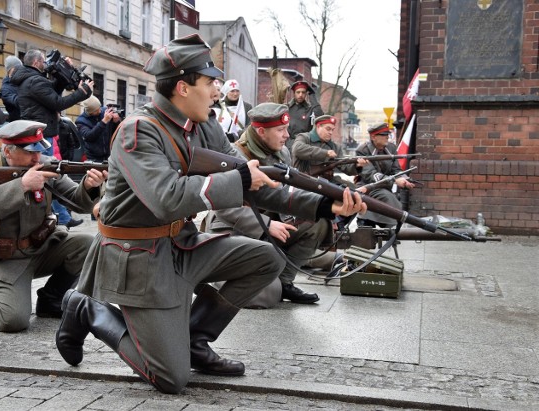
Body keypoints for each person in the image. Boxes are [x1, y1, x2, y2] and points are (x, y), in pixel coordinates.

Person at [54, 34, 366, 394]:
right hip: (137, 259)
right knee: (171, 379)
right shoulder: (138, 131)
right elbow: (167, 199)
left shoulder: (203, 126)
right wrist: (240, 177)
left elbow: (256, 183)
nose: (217, 91)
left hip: (180, 244)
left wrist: (326, 204)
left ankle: (194, 341)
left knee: (265, 258)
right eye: (210, 82)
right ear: (183, 87)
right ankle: (87, 309)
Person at [0, 120, 107, 333]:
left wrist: (89, 186)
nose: (37, 157)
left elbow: (77, 200)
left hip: (40, 248)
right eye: (30, 152)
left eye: (39, 150)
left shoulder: (45, 164)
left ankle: (51, 300)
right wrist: (22, 185)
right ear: (7, 151)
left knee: (88, 244)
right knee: (12, 320)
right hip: (3, 258)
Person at [206, 103, 332, 305]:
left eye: (287, 129)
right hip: (235, 229)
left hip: (268, 226)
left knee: (317, 223)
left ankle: (285, 283)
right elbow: (224, 207)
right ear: (261, 132)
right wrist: (266, 224)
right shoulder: (235, 154)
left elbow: (287, 192)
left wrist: (328, 201)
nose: (287, 135)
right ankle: (226, 277)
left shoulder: (282, 153)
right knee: (265, 297)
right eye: (280, 130)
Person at [11, 49, 94, 229]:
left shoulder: (31, 79)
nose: (46, 65)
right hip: (40, 135)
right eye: (43, 62)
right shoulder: (34, 81)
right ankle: (57, 215)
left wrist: (63, 74)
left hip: (41, 132)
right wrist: (83, 92)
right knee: (50, 174)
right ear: (36, 63)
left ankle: (61, 215)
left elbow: (51, 94)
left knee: (51, 174)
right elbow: (58, 103)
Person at [355, 122, 415, 227]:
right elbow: (370, 175)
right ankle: (367, 221)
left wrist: (403, 179)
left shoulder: (391, 148)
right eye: (384, 135)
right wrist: (395, 181)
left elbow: (396, 169)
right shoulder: (363, 150)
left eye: (388, 134)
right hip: (368, 187)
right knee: (388, 199)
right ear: (373, 136)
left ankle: (388, 227)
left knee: (394, 202)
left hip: (385, 187)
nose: (387, 137)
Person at [292, 114, 368, 186]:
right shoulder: (304, 137)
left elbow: (344, 165)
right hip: (303, 181)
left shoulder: (334, 147)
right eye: (328, 129)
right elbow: (297, 149)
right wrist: (325, 153)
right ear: (318, 126)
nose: (331, 132)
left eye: (332, 130)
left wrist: (357, 165)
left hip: (326, 183)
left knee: (354, 191)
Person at [75, 96, 121, 162]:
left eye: (99, 107)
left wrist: (116, 121)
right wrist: (104, 121)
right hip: (93, 158)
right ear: (90, 112)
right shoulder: (81, 121)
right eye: (96, 110)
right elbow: (89, 136)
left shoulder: (105, 111)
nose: (100, 111)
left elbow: (115, 131)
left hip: (109, 156)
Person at [286, 80, 324, 150]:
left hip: (305, 146)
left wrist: (312, 96)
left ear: (306, 94)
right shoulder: (286, 108)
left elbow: (320, 116)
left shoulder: (310, 109)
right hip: (288, 146)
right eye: (298, 92)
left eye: (303, 92)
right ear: (294, 93)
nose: (300, 95)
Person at [0, 55, 23, 122]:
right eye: (18, 68)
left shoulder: (20, 82)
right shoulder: (5, 88)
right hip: (18, 124)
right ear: (12, 69)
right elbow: (18, 103)